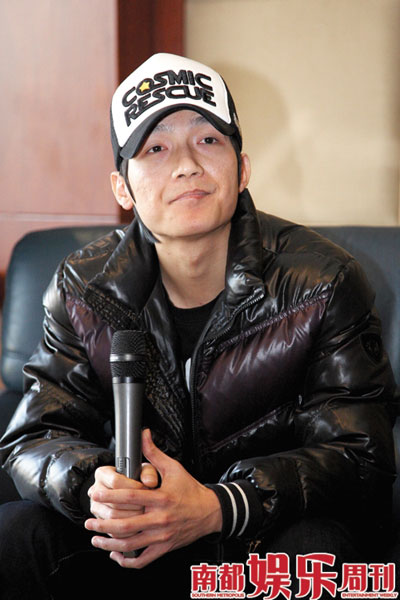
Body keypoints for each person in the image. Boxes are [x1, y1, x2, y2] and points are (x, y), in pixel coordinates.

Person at [0, 52, 397, 599]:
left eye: (208, 140)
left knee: (315, 550)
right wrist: (97, 487)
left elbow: (359, 455)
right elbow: (35, 438)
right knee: (16, 534)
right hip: (135, 545)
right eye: (155, 149)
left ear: (243, 168)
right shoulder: (83, 287)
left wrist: (217, 506)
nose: (186, 165)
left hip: (258, 538)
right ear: (122, 188)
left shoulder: (322, 281)